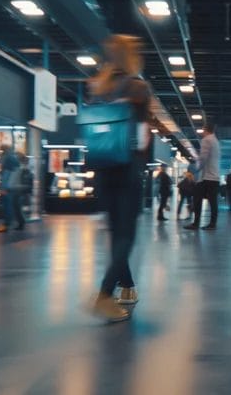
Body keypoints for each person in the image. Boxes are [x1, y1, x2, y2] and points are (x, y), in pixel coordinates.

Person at [87, 34, 152, 322]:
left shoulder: (98, 88)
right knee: (127, 236)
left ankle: (127, 287)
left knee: (116, 235)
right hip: (127, 170)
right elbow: (142, 135)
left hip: (102, 170)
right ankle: (103, 295)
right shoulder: (138, 88)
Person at [184, 122, 221, 231]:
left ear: (205, 129)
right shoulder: (215, 141)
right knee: (213, 202)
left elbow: (203, 158)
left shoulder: (206, 140)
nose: (202, 132)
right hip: (215, 176)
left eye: (203, 130)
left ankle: (196, 223)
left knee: (197, 199)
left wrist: (195, 171)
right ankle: (212, 224)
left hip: (206, 177)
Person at [0, 144, 19, 233]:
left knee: (7, 205)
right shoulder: (13, 157)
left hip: (7, 187)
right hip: (12, 186)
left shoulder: (7, 158)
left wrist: (3, 188)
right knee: (10, 205)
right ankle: (9, 223)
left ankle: (6, 224)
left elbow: (6, 174)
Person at [9, 152, 33, 231]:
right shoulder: (25, 168)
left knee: (17, 208)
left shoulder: (22, 168)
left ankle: (21, 223)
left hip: (19, 190)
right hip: (20, 190)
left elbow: (19, 179)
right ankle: (20, 222)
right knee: (17, 208)